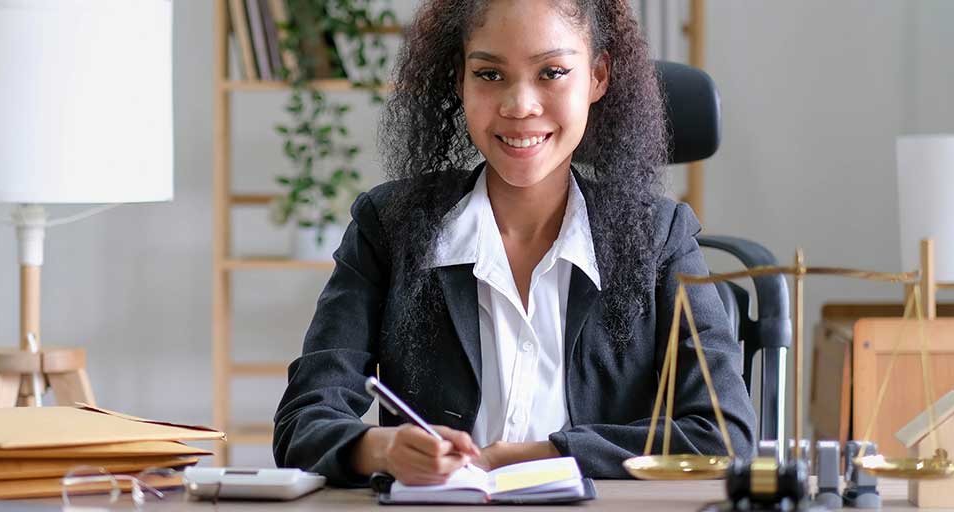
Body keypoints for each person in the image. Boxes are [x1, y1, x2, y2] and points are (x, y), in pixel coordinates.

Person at [272, 0, 753, 487]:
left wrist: (535, 456)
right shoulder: (388, 227)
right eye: (489, 75)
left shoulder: (660, 237)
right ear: (460, 79)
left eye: (552, 72)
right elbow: (303, 423)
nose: (520, 105)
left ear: (598, 76)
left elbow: (723, 435)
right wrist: (382, 449)